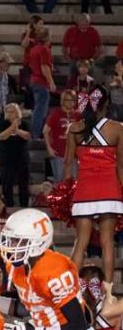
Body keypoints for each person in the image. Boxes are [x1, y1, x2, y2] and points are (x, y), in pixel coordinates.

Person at [65, 84, 123, 285]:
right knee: (108, 243)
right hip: (110, 191)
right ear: (107, 103)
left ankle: (71, 291)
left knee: (80, 242)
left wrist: (65, 191)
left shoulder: (75, 128)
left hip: (85, 190)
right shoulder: (118, 129)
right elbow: (121, 167)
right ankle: (107, 292)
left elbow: (68, 164)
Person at [0, 103, 32, 207]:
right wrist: (12, 127)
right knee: (7, 185)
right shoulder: (2, 124)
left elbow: (27, 136)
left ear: (17, 113)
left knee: (24, 185)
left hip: (22, 159)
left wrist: (17, 130)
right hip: (7, 160)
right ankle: (8, 207)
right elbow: (1, 137)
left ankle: (24, 206)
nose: (9, 113)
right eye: (7, 111)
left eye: (11, 111)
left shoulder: (24, 124)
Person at [44, 89, 82, 180]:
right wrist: (49, 149)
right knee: (60, 182)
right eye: (67, 100)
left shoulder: (78, 115)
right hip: (59, 153)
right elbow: (45, 131)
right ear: (62, 101)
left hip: (74, 155)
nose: (70, 103)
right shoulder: (55, 113)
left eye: (72, 100)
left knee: (73, 182)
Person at [27, 27, 56, 140]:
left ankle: (37, 133)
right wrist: (51, 82)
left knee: (39, 109)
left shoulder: (34, 49)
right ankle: (35, 134)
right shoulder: (44, 50)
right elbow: (44, 68)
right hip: (41, 82)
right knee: (40, 110)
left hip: (34, 80)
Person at [63, 14, 102, 78]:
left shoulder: (93, 32)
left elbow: (99, 47)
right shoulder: (70, 31)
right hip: (74, 60)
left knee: (91, 78)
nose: (85, 23)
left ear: (89, 22)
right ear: (77, 22)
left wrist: (92, 59)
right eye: (82, 20)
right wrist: (68, 58)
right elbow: (65, 46)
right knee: (71, 79)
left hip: (88, 60)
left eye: (86, 21)